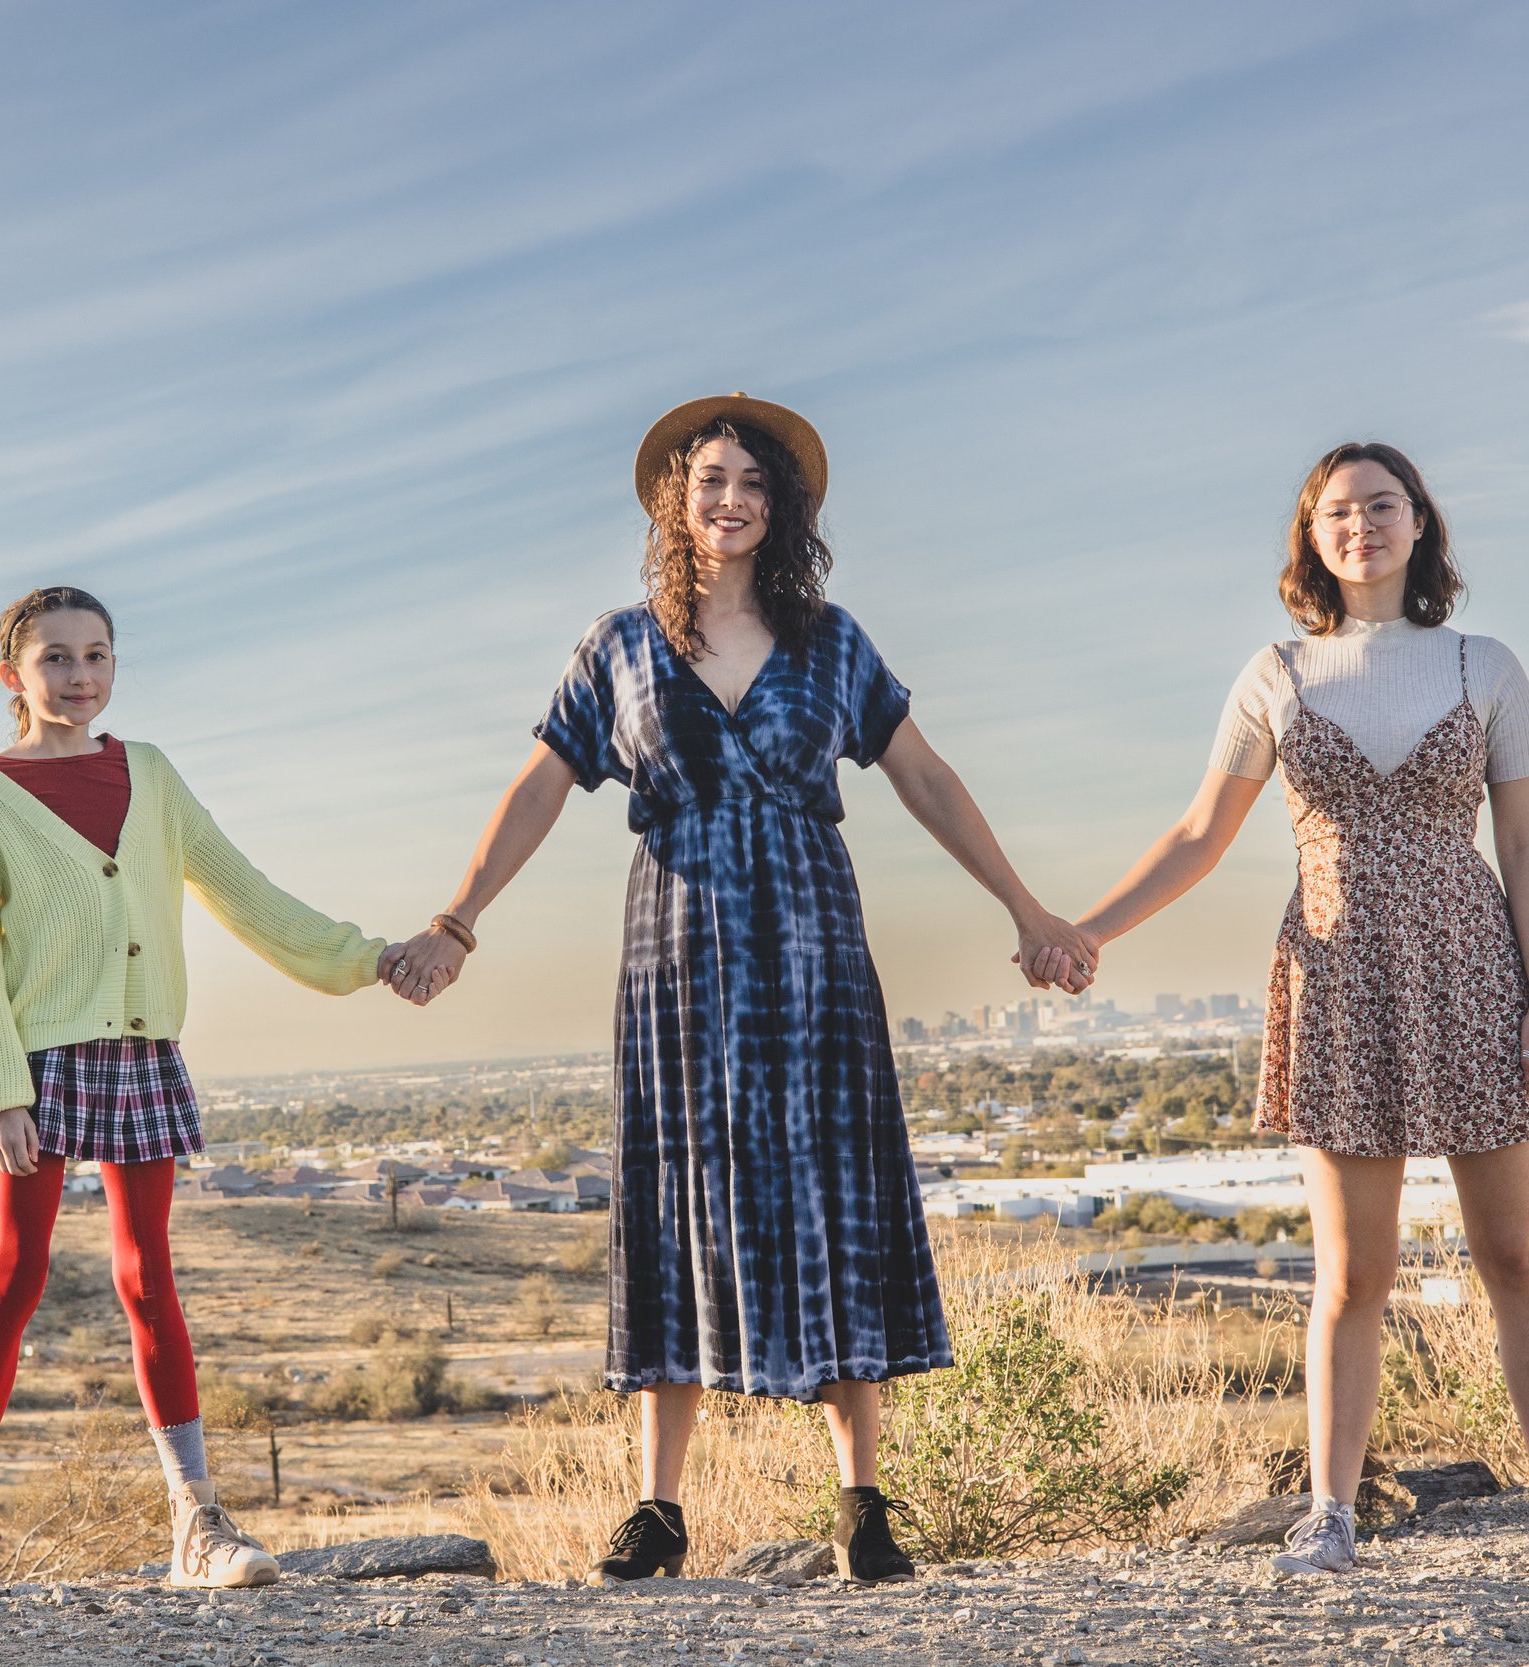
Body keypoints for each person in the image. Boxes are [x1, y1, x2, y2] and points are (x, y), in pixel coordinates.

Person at [384, 395, 1093, 1585]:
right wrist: (458, 921)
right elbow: (538, 789)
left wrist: (1028, 911)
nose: (730, 499)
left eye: (752, 483)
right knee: (678, 1186)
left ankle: (862, 1502)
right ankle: (657, 1510)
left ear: (783, 507)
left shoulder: (835, 641)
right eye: (709, 479)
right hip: (677, 952)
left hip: (814, 940)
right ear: (676, 497)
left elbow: (923, 776)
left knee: (832, 1188)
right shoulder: (615, 643)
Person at [1062, 442, 1529, 1578]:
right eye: (1335, 511)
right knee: (1353, 1273)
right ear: (1309, 538)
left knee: (1514, 1251)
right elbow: (1197, 836)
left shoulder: (1485, 664)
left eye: (1381, 504)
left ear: (1420, 524)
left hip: (1472, 969)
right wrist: (1085, 930)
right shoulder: (1275, 673)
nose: (1359, 524)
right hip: (1338, 980)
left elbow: (1523, 845)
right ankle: (1330, 1511)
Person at [0, 584, 403, 1593]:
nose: (79, 674)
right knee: (16, 1272)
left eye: (97, 654)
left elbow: (243, 890)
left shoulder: (152, 773)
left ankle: (198, 1521)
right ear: (15, 675)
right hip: (41, 1063)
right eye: (55, 657)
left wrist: (365, 957)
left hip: (140, 1053)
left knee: (148, 1279)